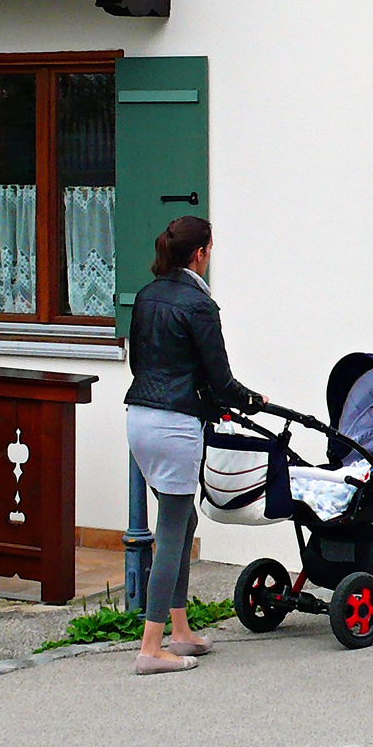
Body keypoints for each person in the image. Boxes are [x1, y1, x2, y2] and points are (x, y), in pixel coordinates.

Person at [125, 216, 265, 675]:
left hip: (139, 419)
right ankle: (151, 648)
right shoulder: (200, 305)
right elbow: (220, 380)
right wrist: (250, 400)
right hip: (175, 427)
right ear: (200, 253)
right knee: (170, 535)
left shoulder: (148, 295)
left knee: (182, 522)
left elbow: (142, 364)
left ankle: (180, 632)